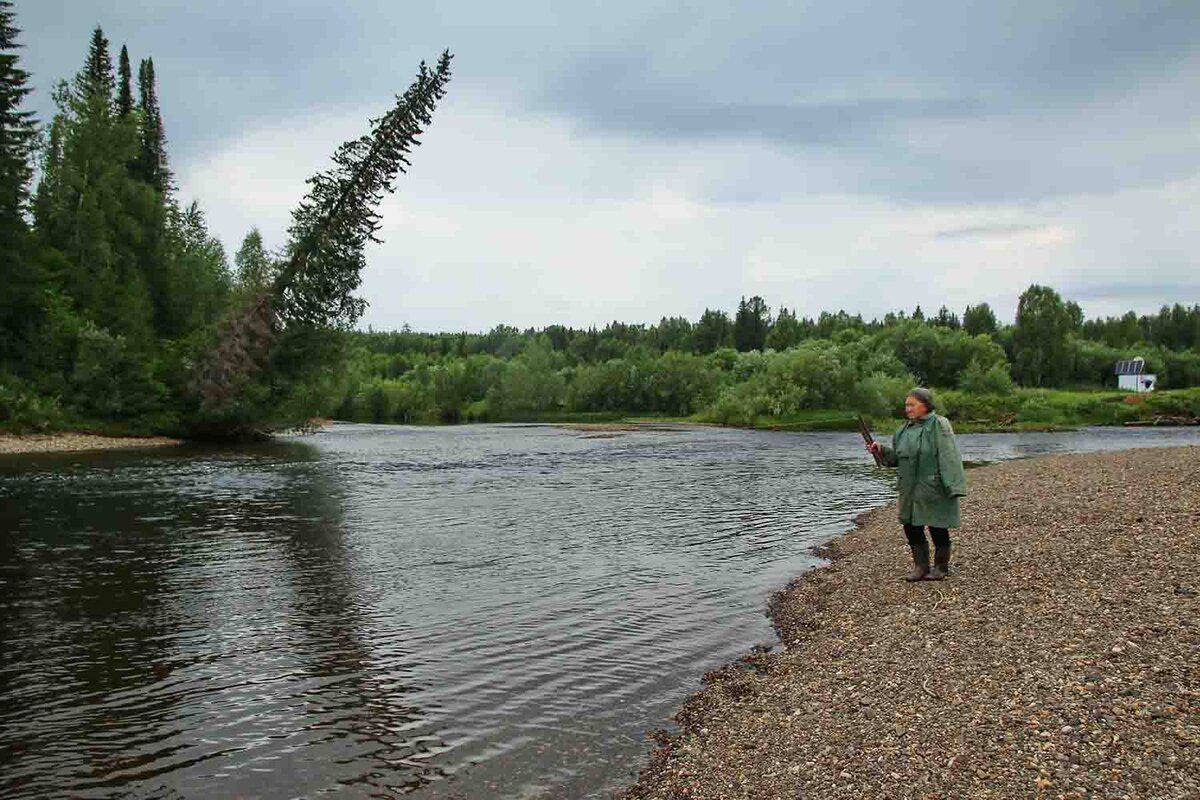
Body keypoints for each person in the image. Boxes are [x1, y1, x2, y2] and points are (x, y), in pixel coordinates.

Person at [866, 388, 967, 581]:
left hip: (934, 486)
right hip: (909, 488)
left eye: (912, 405)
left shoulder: (939, 425)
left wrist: (954, 486)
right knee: (911, 526)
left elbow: (949, 456)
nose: (908, 409)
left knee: (937, 525)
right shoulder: (902, 431)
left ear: (926, 405)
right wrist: (880, 450)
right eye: (906, 405)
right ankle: (920, 567)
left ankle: (941, 567)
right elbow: (898, 459)